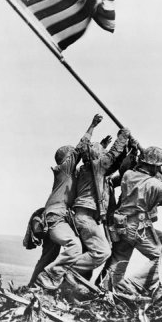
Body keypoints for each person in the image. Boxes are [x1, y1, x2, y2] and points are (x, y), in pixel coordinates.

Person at [101, 146, 162, 293]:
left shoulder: (128, 175)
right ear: (154, 166)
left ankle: (106, 290)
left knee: (119, 260)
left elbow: (146, 193)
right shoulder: (156, 185)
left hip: (121, 224)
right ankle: (130, 286)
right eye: (158, 167)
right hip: (138, 226)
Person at [34, 114, 103, 290]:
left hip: (58, 217)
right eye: (72, 156)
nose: (76, 158)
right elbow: (80, 149)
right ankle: (51, 277)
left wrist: (101, 147)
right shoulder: (64, 170)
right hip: (55, 217)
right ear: (66, 159)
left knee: (48, 256)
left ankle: (33, 287)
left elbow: (88, 158)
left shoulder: (71, 175)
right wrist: (92, 126)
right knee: (74, 245)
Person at [67, 127, 131, 281]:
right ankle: (65, 270)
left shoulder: (91, 172)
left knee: (93, 252)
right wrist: (123, 136)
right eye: (102, 153)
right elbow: (112, 156)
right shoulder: (97, 167)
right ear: (97, 157)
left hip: (88, 218)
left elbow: (114, 166)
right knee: (102, 252)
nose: (104, 155)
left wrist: (129, 152)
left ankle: (75, 285)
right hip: (87, 218)